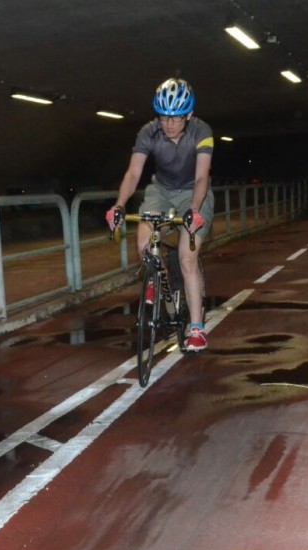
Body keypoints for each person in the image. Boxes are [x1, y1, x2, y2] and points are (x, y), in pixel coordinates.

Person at [106, 77, 215, 352]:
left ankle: (197, 329)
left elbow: (202, 177)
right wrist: (119, 205)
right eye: (165, 117)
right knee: (143, 245)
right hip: (161, 191)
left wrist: (193, 210)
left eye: (177, 118)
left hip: (194, 192)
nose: (170, 124)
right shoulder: (148, 132)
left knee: (187, 257)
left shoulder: (202, 131)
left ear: (189, 114)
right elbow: (133, 174)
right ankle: (156, 278)